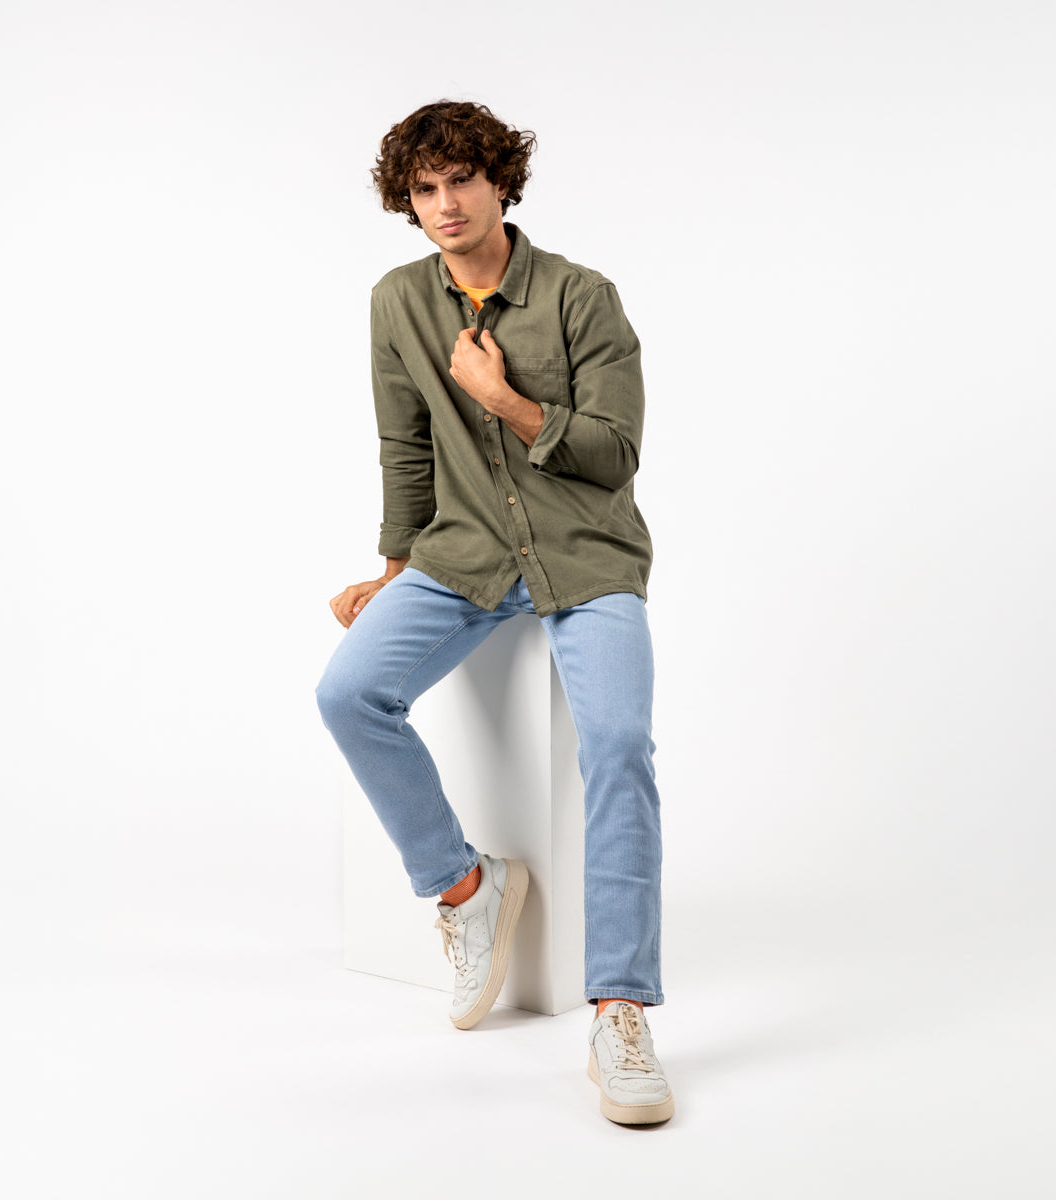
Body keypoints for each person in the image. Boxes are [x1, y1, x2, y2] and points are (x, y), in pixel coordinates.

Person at [316, 99, 673, 1127]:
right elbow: (405, 448)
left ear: (501, 182)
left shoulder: (580, 296)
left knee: (618, 747)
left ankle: (619, 1012)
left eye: (461, 180)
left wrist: (506, 399)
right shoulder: (397, 302)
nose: (445, 204)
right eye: (424, 189)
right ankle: (467, 889)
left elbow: (614, 454)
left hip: (586, 558)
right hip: (461, 556)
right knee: (348, 694)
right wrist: (394, 569)